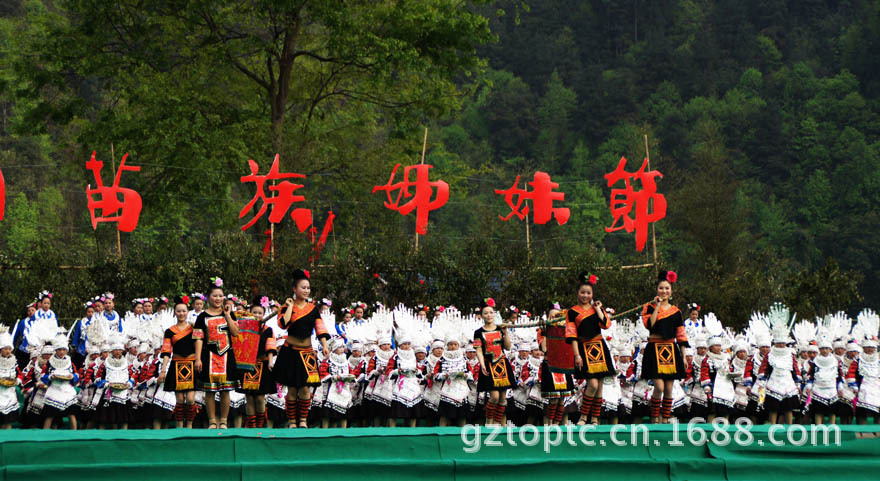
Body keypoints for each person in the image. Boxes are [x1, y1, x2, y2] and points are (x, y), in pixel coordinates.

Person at [273, 269, 331, 428]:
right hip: (290, 351)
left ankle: (303, 420)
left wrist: (325, 345)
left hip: (307, 353)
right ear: (294, 289)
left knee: (305, 389)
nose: (306, 290)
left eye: (308, 288)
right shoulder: (286, 307)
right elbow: (283, 324)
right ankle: (292, 421)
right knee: (292, 389)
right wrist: (289, 306)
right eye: (303, 287)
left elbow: (320, 328)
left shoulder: (313, 309)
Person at [641, 271, 689, 424]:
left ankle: (665, 419)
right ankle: (654, 418)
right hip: (654, 349)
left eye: (667, 288)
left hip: (670, 349)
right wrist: (657, 306)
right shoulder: (648, 307)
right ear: (657, 290)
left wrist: (684, 356)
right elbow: (650, 324)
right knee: (659, 387)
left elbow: (681, 335)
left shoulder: (676, 312)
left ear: (671, 291)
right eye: (661, 288)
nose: (664, 291)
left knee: (669, 388)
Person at [193, 279, 241, 429]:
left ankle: (224, 421)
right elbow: (198, 338)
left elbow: (235, 333)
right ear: (208, 297)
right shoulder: (202, 317)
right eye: (215, 296)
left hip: (227, 356)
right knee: (210, 391)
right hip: (209, 357)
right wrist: (198, 358)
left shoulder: (229, 314)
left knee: (226, 390)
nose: (218, 298)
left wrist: (227, 316)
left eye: (220, 296)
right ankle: (212, 421)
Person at [566, 272, 614, 425]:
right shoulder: (572, 312)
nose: (585, 295)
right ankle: (583, 416)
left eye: (588, 293)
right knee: (592, 384)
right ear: (577, 293)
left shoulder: (596, 308)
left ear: (592, 294)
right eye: (583, 292)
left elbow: (606, 325)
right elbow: (572, 335)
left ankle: (595, 418)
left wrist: (598, 308)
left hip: (599, 347)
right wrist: (577, 355)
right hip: (584, 349)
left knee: (599, 386)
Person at [473, 297, 515, 426]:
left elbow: (507, 347)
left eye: (491, 312)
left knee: (502, 398)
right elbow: (479, 350)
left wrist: (505, 333)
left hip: (502, 364)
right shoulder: (478, 332)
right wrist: (482, 364)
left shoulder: (500, 329)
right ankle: (488, 421)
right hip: (489, 365)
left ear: (494, 314)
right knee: (494, 396)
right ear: (481, 315)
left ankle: (497, 422)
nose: (489, 315)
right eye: (486, 313)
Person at [158, 296, 197, 428]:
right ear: (175, 312)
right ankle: (179, 426)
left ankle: (190, 425)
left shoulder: (194, 328)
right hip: (177, 365)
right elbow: (166, 351)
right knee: (179, 400)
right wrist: (163, 370)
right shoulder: (169, 331)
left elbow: (201, 345)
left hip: (192, 364)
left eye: (184, 311)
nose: (181, 313)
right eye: (178, 311)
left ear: (188, 312)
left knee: (190, 399)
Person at [238, 299, 277, 429]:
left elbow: (270, 348)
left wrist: (270, 362)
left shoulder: (268, 330)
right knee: (249, 397)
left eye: (260, 313)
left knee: (260, 397)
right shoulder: (244, 328)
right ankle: (252, 425)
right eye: (254, 312)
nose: (257, 315)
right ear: (250, 313)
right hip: (247, 365)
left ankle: (260, 425)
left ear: (264, 314)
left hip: (262, 364)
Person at [0, 328, 22, 429]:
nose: (8, 351)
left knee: (9, 420)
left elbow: (20, 374)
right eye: (5, 349)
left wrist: (17, 380)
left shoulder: (14, 361)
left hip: (10, 393)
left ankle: (8, 435)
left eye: (9, 349)